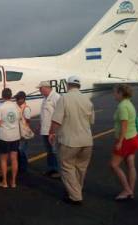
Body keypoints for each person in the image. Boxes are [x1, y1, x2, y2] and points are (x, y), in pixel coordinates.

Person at [49, 76, 95, 205]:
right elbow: (91, 121)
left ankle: (75, 196)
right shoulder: (87, 100)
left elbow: (56, 120)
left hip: (69, 141)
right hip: (87, 141)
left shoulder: (64, 98)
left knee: (67, 167)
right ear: (79, 86)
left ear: (68, 85)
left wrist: (52, 133)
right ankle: (76, 190)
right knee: (81, 167)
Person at [110, 84, 138, 201]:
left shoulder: (122, 106)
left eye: (115, 92)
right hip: (133, 137)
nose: (114, 94)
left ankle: (126, 189)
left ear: (121, 93)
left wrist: (120, 142)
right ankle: (131, 191)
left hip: (126, 139)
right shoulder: (129, 103)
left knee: (114, 165)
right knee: (130, 165)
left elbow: (124, 125)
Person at [0, 88, 21, 188]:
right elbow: (19, 118)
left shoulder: (1, 107)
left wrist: (1, 122)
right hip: (15, 136)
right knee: (14, 159)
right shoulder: (16, 107)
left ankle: (4, 182)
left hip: (4, 136)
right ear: (11, 96)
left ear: (2, 96)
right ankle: (13, 182)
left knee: (3, 159)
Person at [38, 80, 60, 178]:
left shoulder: (56, 97)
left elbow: (59, 114)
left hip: (53, 131)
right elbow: (44, 114)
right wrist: (40, 124)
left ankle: (59, 171)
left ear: (46, 87)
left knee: (55, 151)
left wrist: (54, 130)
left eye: (40, 88)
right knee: (49, 151)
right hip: (45, 130)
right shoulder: (44, 98)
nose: (39, 90)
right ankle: (52, 169)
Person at [15, 91, 32, 173]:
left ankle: (23, 167)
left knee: (22, 151)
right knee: (19, 150)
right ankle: (20, 166)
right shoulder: (18, 107)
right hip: (18, 132)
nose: (17, 100)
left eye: (18, 99)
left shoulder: (26, 108)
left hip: (23, 132)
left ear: (23, 99)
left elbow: (27, 121)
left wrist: (25, 132)